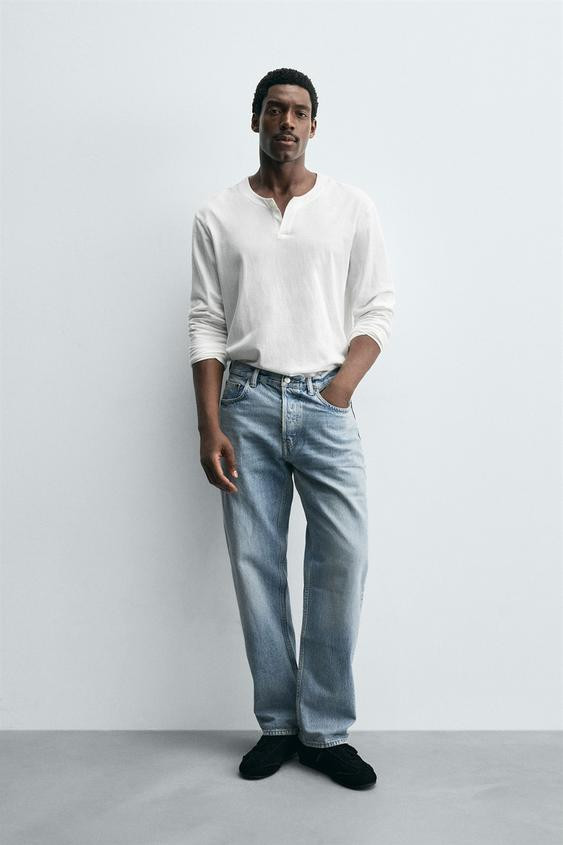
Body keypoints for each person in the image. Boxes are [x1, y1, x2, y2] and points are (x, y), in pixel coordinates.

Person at [188, 67, 395, 790]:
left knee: (343, 560)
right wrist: (208, 424)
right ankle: (278, 723)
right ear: (255, 121)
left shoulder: (350, 207)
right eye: (274, 109)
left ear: (312, 125)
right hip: (244, 403)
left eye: (299, 111)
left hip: (325, 403)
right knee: (256, 564)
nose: (287, 121)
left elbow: (377, 310)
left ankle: (326, 729)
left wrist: (338, 391)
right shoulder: (217, 214)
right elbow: (207, 322)